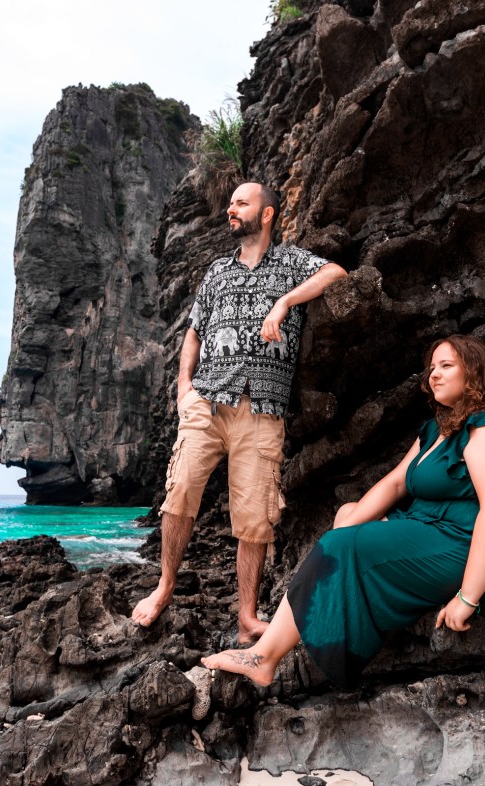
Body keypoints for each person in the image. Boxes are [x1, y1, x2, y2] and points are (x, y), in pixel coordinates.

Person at [201, 334, 485, 687]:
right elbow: (396, 484)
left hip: (467, 546)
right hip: (431, 529)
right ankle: (308, 622)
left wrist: (468, 597)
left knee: (340, 548)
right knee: (346, 517)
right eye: (432, 368)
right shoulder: (437, 429)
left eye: (446, 366)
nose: (433, 375)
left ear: (475, 374)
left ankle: (263, 658)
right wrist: (340, 533)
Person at [132, 181, 348, 643]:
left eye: (241, 203)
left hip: (263, 409)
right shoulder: (216, 272)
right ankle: (164, 586)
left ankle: (247, 616)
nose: (231, 209)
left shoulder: (291, 261)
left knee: (255, 516)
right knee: (181, 490)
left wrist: (286, 301)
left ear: (266, 214)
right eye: (229, 202)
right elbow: (194, 331)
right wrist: (183, 387)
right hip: (207, 401)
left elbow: (337, 273)